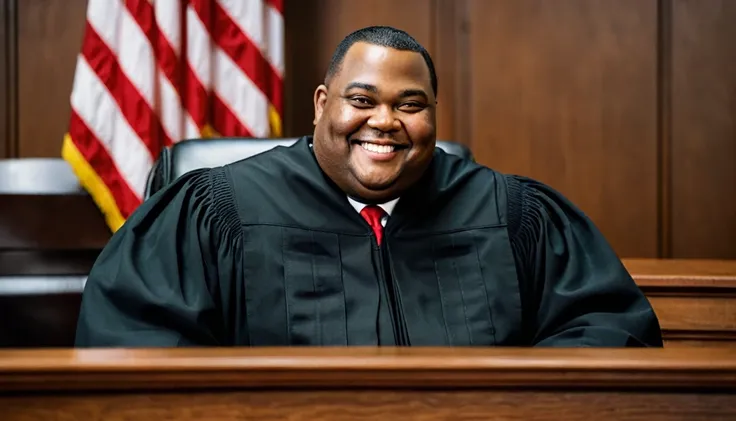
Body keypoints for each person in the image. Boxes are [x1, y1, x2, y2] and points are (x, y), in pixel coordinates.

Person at [75, 26, 662, 347]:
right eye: (362, 101)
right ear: (322, 104)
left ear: (434, 114)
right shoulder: (216, 210)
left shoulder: (511, 212)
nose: (385, 122)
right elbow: (136, 345)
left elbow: (607, 328)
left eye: (411, 104)